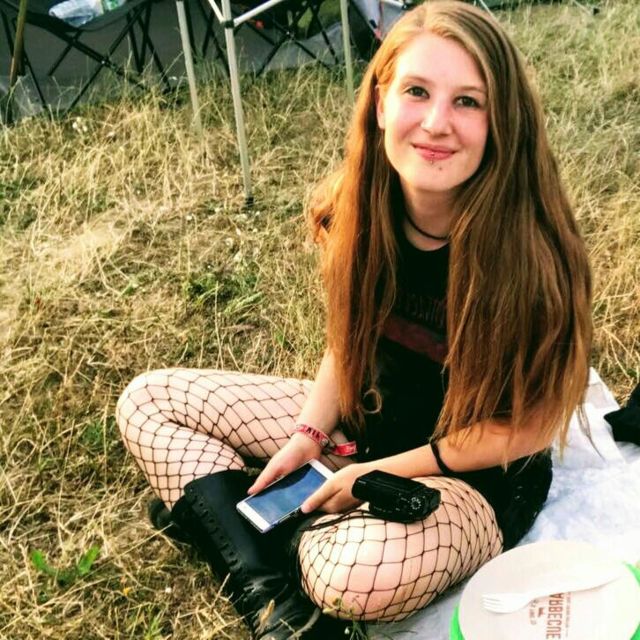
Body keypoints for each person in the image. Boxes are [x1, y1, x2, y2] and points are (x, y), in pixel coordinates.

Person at [116, 1, 592, 638]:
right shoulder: (357, 207)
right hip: (364, 428)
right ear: (380, 103)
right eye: (416, 91)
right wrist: (309, 436)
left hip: (471, 479)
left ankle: (220, 520)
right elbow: (348, 342)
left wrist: (377, 476)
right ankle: (276, 604)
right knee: (149, 401)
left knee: (355, 574)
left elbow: (528, 427)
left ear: (502, 119)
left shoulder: (533, 256)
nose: (436, 123)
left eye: (468, 101)